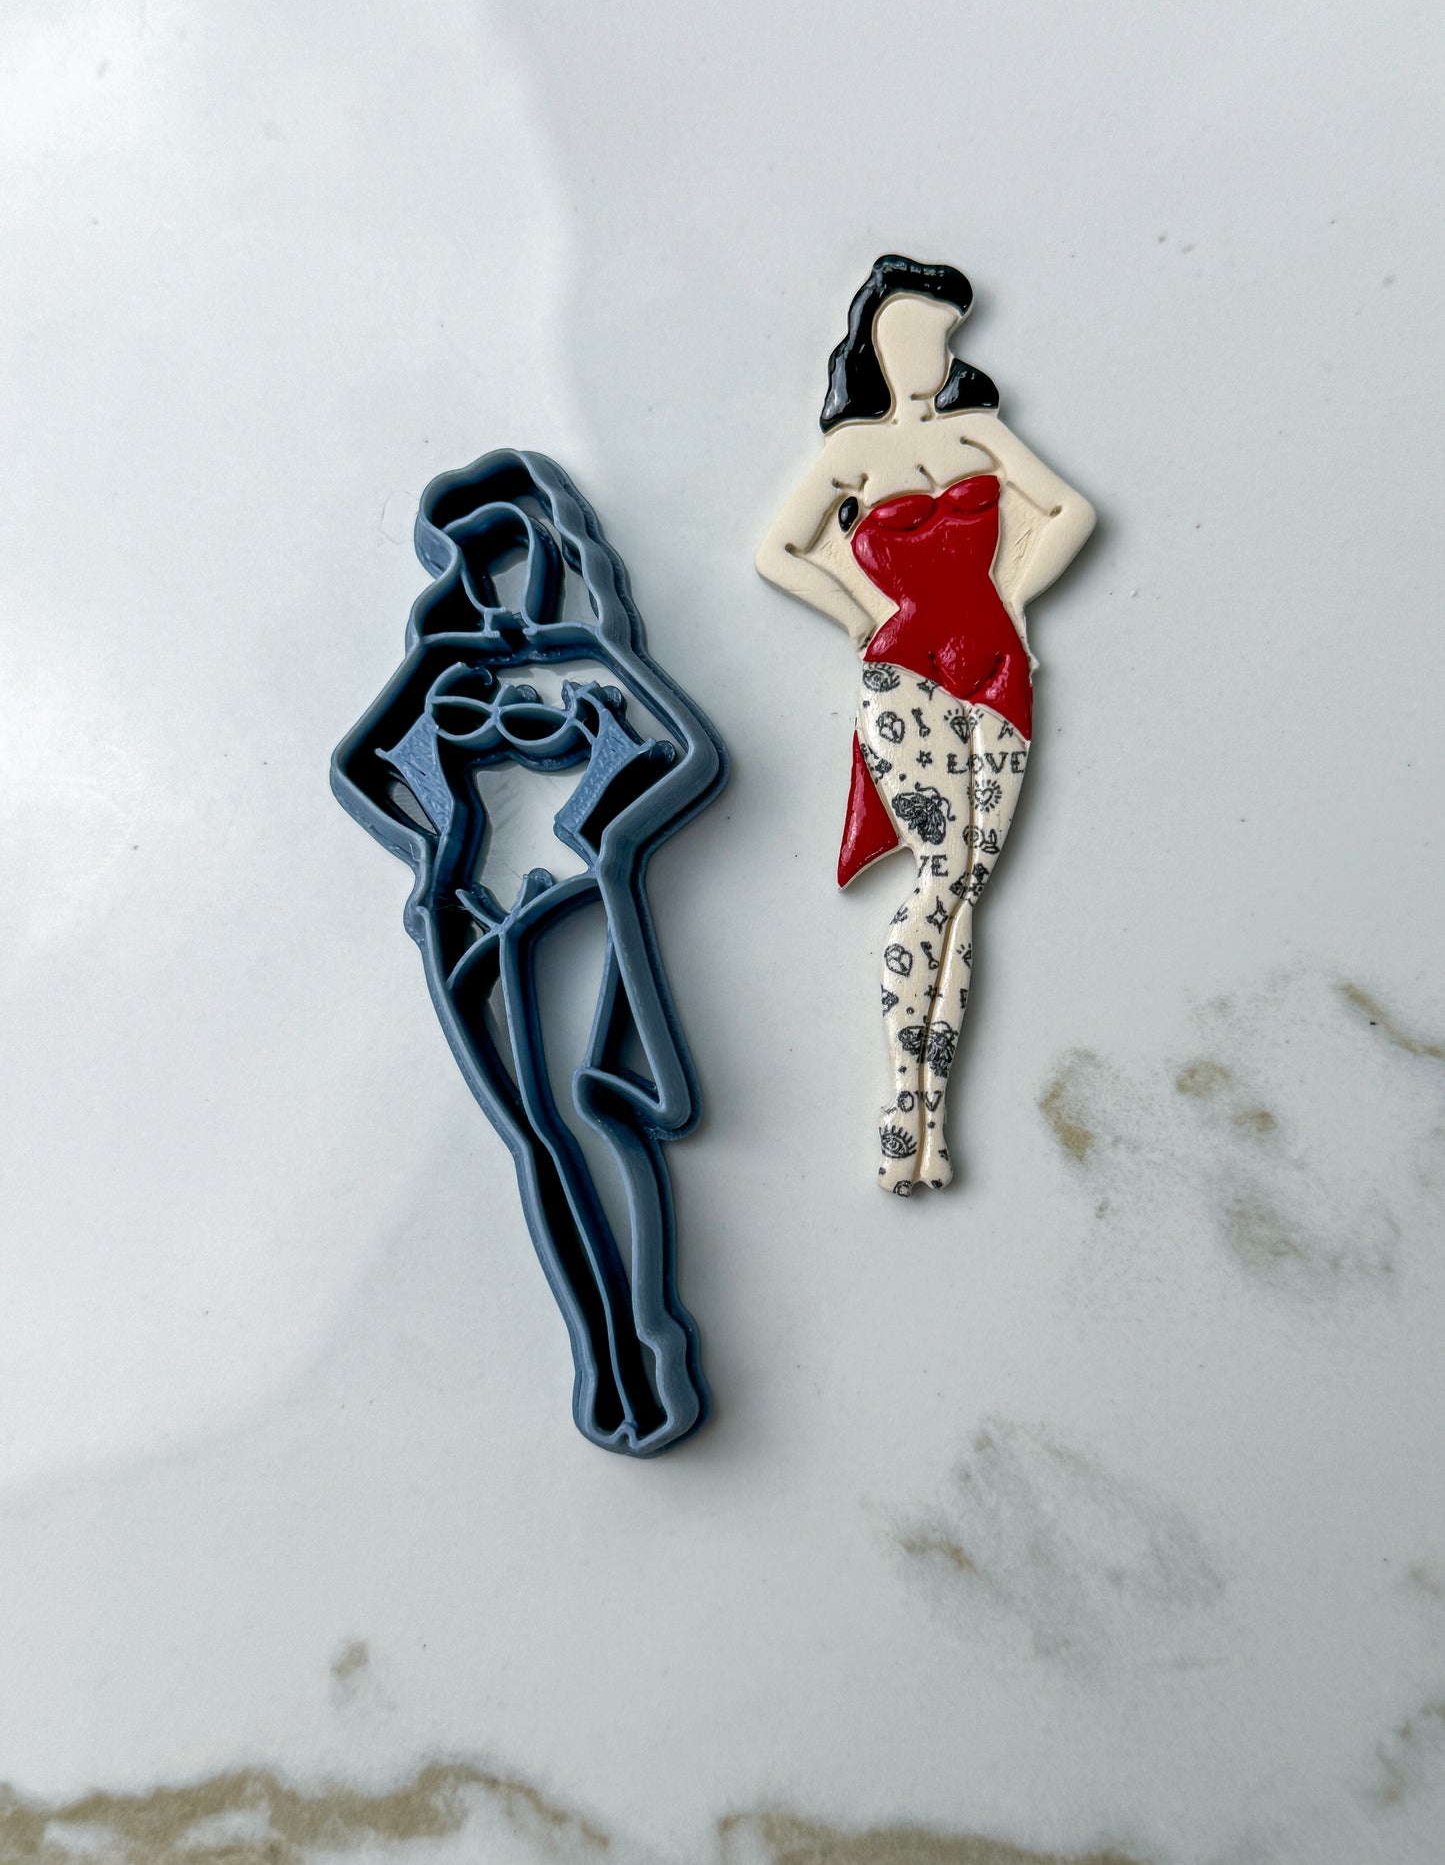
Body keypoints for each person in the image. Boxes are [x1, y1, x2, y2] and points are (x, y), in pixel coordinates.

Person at [333, 450, 726, 1452]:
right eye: (472, 555)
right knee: (533, 1139)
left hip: (568, 907)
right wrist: (434, 850)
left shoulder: (587, 649)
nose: (498, 575)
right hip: (466, 918)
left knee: (590, 1115)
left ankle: (646, 1347)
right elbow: (360, 768)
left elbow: (680, 751)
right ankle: (608, 1361)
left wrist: (591, 797)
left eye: (511, 547)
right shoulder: (436, 667)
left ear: (553, 548)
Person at [756, 256, 1095, 1194]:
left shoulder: (979, 433)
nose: (924, 353)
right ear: (869, 343)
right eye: (906, 333)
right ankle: (898, 1110)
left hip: (997, 668)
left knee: (969, 884)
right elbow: (778, 550)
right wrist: (856, 614)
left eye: (939, 336)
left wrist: (1014, 597)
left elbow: (1071, 511)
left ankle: (931, 1121)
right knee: (941, 873)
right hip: (904, 676)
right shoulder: (851, 453)